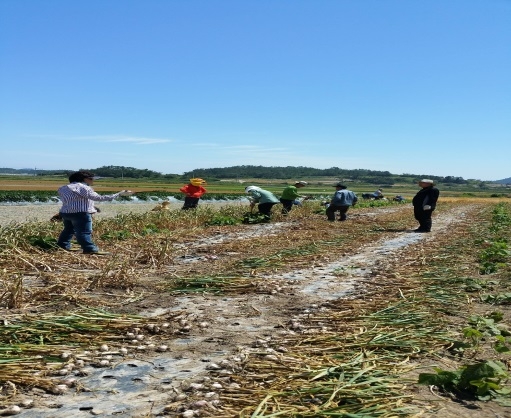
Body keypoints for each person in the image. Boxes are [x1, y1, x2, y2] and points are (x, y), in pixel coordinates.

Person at [57, 171, 133, 255]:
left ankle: (62, 245)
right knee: (84, 232)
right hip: (81, 213)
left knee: (68, 230)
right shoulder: (83, 187)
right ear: (84, 179)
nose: (92, 181)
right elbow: (98, 198)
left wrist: (93, 207)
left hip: (66, 213)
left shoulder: (62, 188)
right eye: (91, 179)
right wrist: (119, 194)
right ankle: (89, 248)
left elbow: (73, 200)